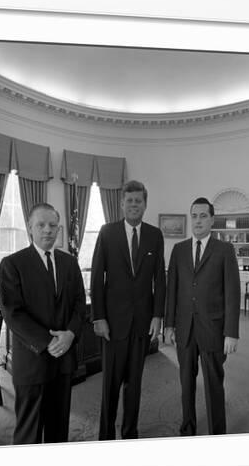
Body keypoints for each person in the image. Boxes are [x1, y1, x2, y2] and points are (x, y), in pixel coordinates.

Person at [0, 203, 86, 444]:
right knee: (30, 433)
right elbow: (13, 313)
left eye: (52, 225)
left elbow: (80, 304)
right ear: (30, 227)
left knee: (59, 430)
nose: (47, 230)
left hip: (64, 360)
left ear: (59, 229)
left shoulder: (70, 263)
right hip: (32, 362)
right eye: (41, 225)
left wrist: (70, 334)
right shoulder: (12, 264)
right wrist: (48, 342)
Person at [91, 180, 166, 440]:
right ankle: (106, 436)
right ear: (122, 203)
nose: (134, 205)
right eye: (129, 200)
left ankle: (130, 433)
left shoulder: (155, 235)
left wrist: (158, 315)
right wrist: (98, 317)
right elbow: (97, 278)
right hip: (112, 324)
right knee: (110, 385)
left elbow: (160, 278)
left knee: (134, 384)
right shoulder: (107, 232)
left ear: (145, 204)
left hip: (142, 323)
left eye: (139, 201)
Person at [164, 197, 240, 436]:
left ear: (212, 219)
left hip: (213, 330)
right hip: (184, 329)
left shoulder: (225, 250)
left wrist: (231, 332)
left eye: (203, 216)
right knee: (186, 384)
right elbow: (172, 290)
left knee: (214, 385)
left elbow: (232, 293)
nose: (198, 220)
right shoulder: (178, 250)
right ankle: (188, 428)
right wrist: (169, 325)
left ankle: (217, 433)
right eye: (194, 216)